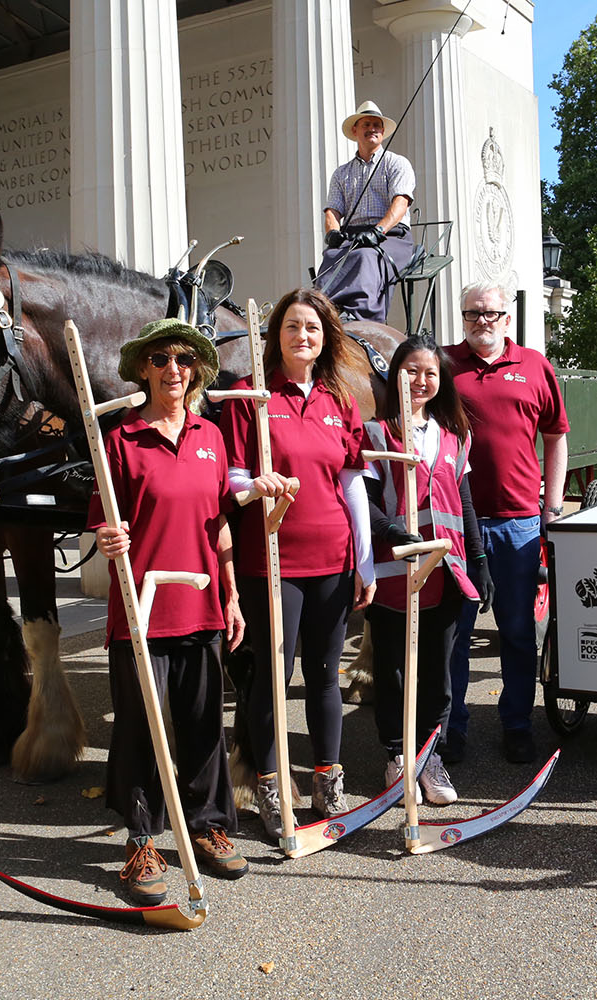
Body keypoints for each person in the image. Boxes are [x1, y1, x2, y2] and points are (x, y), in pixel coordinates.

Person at [87, 318, 250, 906]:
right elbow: (106, 522)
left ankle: (207, 825)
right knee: (140, 730)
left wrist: (231, 594)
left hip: (202, 602)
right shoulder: (121, 441)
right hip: (141, 613)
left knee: (206, 724)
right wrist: (109, 538)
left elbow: (221, 521)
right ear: (144, 370)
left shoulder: (211, 436)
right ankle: (140, 840)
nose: (173, 370)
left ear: (196, 369)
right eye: (160, 359)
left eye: (183, 359)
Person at [218, 288, 375, 838]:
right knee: (272, 676)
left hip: (332, 556)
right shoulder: (250, 396)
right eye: (291, 326)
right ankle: (268, 784)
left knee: (325, 674)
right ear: (275, 335)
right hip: (272, 559)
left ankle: (327, 783)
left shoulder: (340, 399)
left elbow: (353, 485)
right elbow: (231, 474)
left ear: (325, 336)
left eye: (311, 327)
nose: (301, 336)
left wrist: (366, 560)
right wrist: (253, 483)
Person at [445, 282, 568, 764]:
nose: (482, 322)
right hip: (455, 523)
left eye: (491, 314)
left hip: (518, 522)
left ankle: (517, 723)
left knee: (516, 633)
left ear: (507, 318)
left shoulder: (535, 366)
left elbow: (556, 435)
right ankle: (452, 729)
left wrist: (552, 506)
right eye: (473, 314)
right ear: (463, 317)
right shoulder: (445, 366)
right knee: (455, 634)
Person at [365, 335, 490, 803]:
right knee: (394, 669)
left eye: (430, 372)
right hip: (394, 570)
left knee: (437, 671)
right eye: (411, 370)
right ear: (394, 373)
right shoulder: (376, 434)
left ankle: (429, 755)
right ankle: (398, 756)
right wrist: (393, 531)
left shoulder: (456, 437)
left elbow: (467, 502)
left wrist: (478, 560)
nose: (421, 380)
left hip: (445, 570)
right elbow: (367, 504)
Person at [315, 100, 416, 323]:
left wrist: (378, 231)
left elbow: (400, 203)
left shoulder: (397, 164)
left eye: (377, 125)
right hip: (354, 236)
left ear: (383, 132)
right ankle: (324, 313)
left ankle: (363, 316)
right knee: (330, 257)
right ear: (355, 130)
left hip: (391, 236)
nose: (373, 129)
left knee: (365, 256)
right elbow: (332, 211)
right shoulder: (341, 174)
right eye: (367, 124)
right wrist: (333, 232)